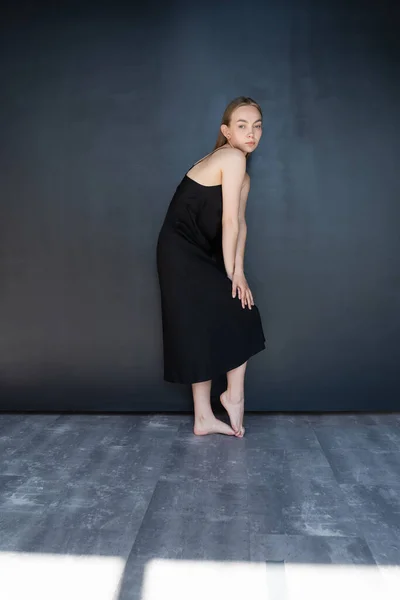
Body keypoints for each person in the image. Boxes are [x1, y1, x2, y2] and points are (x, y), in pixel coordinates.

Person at [156, 96, 266, 438]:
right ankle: (233, 397)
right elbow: (229, 220)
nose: (251, 133)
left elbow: (241, 224)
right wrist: (232, 274)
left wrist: (239, 270)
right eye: (242, 126)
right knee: (235, 312)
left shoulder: (242, 171)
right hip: (179, 250)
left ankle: (203, 418)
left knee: (204, 324)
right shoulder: (231, 157)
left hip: (201, 251)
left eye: (257, 126)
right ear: (226, 131)